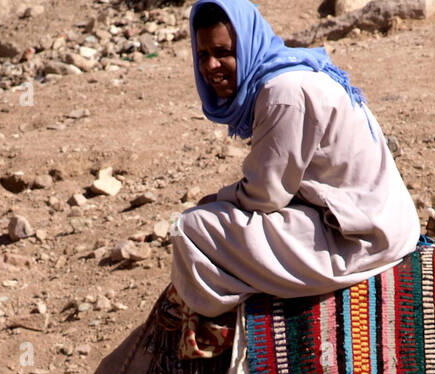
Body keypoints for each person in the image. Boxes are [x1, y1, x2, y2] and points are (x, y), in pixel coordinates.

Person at [170, 0, 421, 320]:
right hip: (367, 217)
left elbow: (264, 196)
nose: (210, 67)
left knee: (191, 228)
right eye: (203, 55)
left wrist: (218, 199)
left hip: (360, 239)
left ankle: (220, 319)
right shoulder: (288, 75)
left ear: (246, 44)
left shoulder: (283, 92)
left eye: (223, 53)